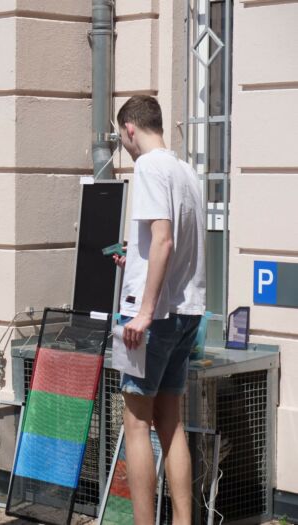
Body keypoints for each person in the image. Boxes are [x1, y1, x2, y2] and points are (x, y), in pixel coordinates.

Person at [114, 96, 205, 525]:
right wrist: (135, 256)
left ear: (131, 128)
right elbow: (166, 243)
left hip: (154, 316)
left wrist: (145, 311)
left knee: (137, 425)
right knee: (172, 424)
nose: (123, 145)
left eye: (120, 136)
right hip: (188, 310)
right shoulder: (187, 171)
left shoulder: (149, 166)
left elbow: (164, 240)